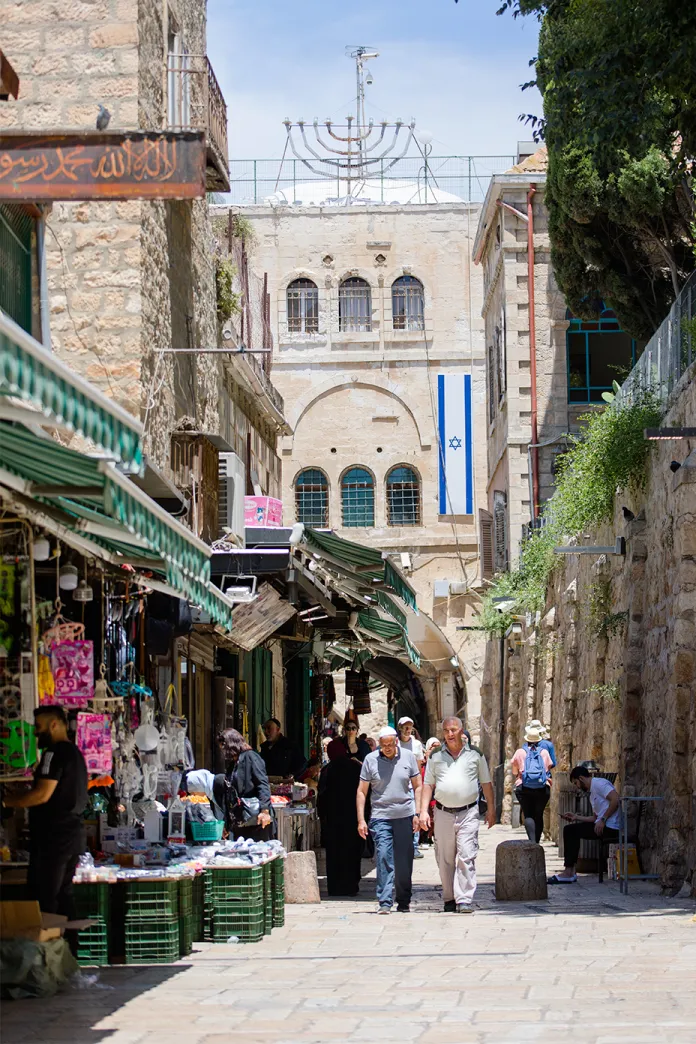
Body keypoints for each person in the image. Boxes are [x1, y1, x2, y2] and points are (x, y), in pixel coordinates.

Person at [2, 706, 88, 954]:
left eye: (38, 727)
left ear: (54, 725)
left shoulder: (55, 753)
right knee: (62, 894)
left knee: (45, 896)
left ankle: (49, 955)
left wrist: (7, 802)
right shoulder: (74, 754)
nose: (36, 733)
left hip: (55, 836)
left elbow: (42, 794)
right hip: (69, 835)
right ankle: (69, 955)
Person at [419, 716, 495, 913]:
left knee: (466, 855)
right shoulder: (435, 756)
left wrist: (492, 810)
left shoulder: (475, 754)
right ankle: (449, 897)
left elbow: (486, 783)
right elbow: (428, 785)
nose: (450, 734)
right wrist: (423, 812)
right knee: (444, 858)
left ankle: (464, 898)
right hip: (443, 813)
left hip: (468, 811)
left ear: (462, 731)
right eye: (446, 731)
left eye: (453, 730)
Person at [357, 726, 422, 914]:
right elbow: (362, 792)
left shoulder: (408, 757)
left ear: (396, 742)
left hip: (405, 815)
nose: (387, 748)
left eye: (390, 744)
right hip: (380, 816)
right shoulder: (370, 760)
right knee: (384, 856)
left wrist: (417, 813)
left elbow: (418, 786)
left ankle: (403, 900)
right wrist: (361, 820)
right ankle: (384, 901)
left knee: (404, 861)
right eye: (383, 745)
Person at [549, 765, 621, 883]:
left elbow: (616, 799)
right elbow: (594, 818)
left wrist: (603, 820)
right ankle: (570, 871)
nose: (577, 787)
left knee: (570, 831)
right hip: (602, 826)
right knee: (571, 829)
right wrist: (576, 817)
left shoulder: (599, 784)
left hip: (611, 827)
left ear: (581, 778)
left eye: (576, 783)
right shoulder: (592, 793)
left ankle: (569, 872)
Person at [317, 739, 363, 896]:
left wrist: (322, 817)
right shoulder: (356, 767)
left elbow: (321, 796)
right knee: (352, 853)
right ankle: (351, 886)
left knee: (335, 854)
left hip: (333, 820)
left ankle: (335, 887)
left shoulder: (327, 770)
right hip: (353, 818)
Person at [214, 728, 274, 841]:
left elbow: (262, 783)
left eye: (223, 745)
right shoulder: (233, 764)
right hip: (240, 821)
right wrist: (226, 823)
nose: (222, 749)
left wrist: (265, 811)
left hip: (255, 820)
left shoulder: (251, 757)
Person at [510, 726, 554, 845]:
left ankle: (532, 842)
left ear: (527, 739)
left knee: (528, 814)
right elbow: (548, 768)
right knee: (538, 814)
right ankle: (537, 843)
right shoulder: (544, 752)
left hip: (523, 787)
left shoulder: (520, 752)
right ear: (538, 740)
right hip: (542, 788)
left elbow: (515, 772)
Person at [398, 716, 425, 859]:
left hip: (411, 784)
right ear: (400, 728)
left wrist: (417, 785)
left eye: (410, 727)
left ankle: (414, 846)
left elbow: (419, 766)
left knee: (415, 813)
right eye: (405, 727)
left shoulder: (416, 745)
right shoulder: (396, 744)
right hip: (399, 785)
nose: (408, 730)